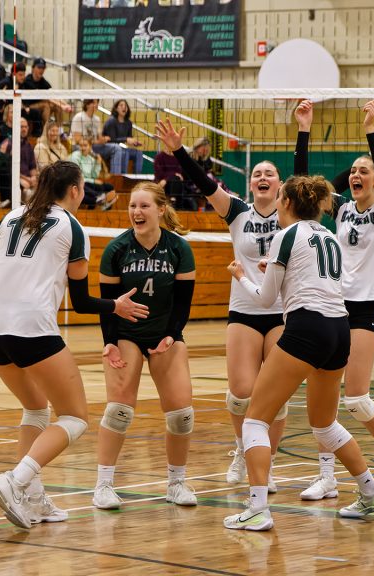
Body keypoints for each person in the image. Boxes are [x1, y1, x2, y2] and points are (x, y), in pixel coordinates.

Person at [0, 160, 147, 529]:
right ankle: (15, 480)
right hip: (31, 327)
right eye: (83, 186)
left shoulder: (8, 218)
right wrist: (116, 306)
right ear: (74, 190)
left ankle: (34, 499)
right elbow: (82, 301)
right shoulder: (71, 226)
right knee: (74, 418)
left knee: (36, 409)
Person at [223, 174, 374, 531]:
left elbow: (266, 300)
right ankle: (372, 492)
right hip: (338, 330)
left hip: (307, 328)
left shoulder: (285, 236)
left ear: (285, 203)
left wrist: (241, 276)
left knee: (255, 419)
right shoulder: (328, 235)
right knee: (324, 424)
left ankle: (257, 508)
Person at [155, 116, 294, 492]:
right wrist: (179, 152)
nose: (263, 177)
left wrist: (301, 129)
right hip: (245, 311)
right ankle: (240, 447)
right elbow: (204, 183)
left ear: (280, 185)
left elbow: (303, 171)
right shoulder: (237, 212)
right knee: (240, 394)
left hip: (281, 311)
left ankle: (266, 463)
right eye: (257, 174)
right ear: (251, 184)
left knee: (275, 396)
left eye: (270, 173)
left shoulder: (290, 215)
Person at [294, 100, 374, 498]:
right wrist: (304, 130)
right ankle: (327, 476)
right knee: (321, 397)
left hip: (364, 309)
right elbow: (306, 186)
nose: (356, 176)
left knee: (356, 397)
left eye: (365, 172)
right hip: (331, 306)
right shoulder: (340, 209)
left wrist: (371, 135)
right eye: (354, 171)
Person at [92, 181, 198, 509]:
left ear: (160, 210)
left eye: (144, 206)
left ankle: (176, 483)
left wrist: (171, 334)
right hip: (126, 334)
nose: (137, 212)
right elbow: (108, 303)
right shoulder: (116, 250)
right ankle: (103, 485)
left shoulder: (179, 249)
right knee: (120, 410)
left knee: (181, 415)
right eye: (133, 206)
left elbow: (183, 303)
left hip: (164, 331)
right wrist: (109, 342)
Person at [20, 57, 70, 137]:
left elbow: (52, 93)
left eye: (43, 68)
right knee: (46, 105)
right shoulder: (28, 81)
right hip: (28, 107)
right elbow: (45, 97)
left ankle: (60, 132)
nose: (41, 70)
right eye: (39, 67)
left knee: (57, 106)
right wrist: (64, 106)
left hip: (41, 105)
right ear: (33, 68)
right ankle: (47, 131)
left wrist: (65, 104)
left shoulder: (43, 81)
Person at [68, 133, 116, 210]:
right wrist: (93, 180)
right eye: (81, 145)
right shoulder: (75, 157)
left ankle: (103, 205)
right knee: (85, 186)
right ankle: (100, 198)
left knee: (109, 187)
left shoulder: (91, 158)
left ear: (90, 146)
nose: (82, 148)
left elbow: (94, 175)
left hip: (89, 182)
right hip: (77, 183)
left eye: (85, 145)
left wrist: (98, 163)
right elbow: (78, 177)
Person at [101, 98, 142, 174]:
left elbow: (129, 138)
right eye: (121, 105)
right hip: (108, 148)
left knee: (138, 153)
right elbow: (111, 139)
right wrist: (126, 139)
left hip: (121, 148)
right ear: (116, 109)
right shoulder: (111, 121)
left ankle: (137, 177)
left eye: (125, 105)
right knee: (124, 152)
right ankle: (122, 176)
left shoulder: (128, 123)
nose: (124, 107)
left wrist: (134, 142)